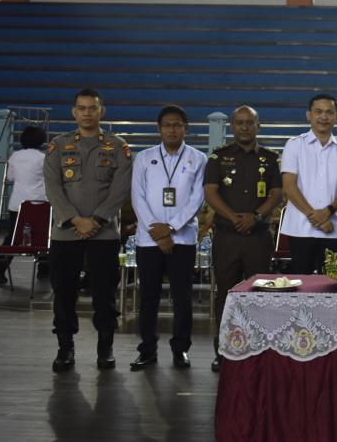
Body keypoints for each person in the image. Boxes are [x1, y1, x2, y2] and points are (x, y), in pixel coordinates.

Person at [44, 88, 133, 372]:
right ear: (74, 112)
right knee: (63, 291)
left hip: (104, 233)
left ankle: (105, 348)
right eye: (81, 108)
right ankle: (65, 348)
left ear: (101, 111)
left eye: (92, 108)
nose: (87, 113)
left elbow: (120, 189)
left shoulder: (118, 147)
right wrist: (75, 220)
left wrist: (96, 219)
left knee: (105, 292)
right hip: (65, 232)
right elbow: (53, 187)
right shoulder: (58, 146)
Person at [204, 105, 283, 372]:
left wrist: (257, 216)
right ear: (232, 126)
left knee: (260, 294)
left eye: (250, 123)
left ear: (258, 126)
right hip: (227, 236)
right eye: (239, 123)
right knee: (225, 293)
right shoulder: (218, 157)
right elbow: (211, 193)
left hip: (258, 237)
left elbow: (275, 194)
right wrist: (235, 217)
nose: (245, 127)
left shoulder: (271, 159)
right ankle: (223, 350)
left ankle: (258, 347)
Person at [129, 105, 207, 371]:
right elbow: (137, 197)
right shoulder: (144, 158)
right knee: (148, 296)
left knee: (182, 296)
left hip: (183, 239)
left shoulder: (198, 159)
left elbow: (198, 199)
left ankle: (180, 349)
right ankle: (147, 349)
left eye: (177, 125)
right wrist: (156, 230)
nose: (172, 129)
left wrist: (171, 227)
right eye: (167, 125)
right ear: (159, 129)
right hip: (148, 238)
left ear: (186, 128)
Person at [279, 94, 337, 274]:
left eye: (329, 112)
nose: (324, 117)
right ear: (309, 115)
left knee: (332, 285)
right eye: (318, 111)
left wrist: (327, 212)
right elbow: (289, 186)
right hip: (300, 229)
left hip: (333, 228)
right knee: (301, 285)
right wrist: (316, 217)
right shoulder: (294, 145)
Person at [0, 125, 48, 284]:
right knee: (43, 237)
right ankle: (44, 270)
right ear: (41, 141)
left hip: (17, 204)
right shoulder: (43, 158)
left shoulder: (15, 156)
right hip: (39, 203)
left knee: (12, 237)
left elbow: (10, 177)